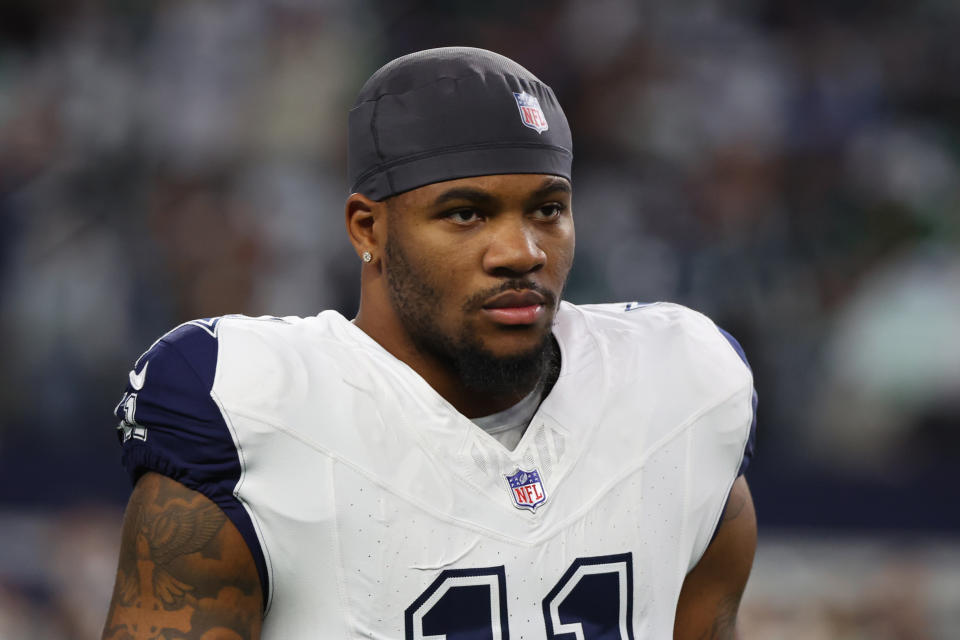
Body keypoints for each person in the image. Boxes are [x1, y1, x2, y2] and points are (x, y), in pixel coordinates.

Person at [102, 47, 757, 640]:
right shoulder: (253, 411)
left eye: (547, 210)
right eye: (466, 214)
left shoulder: (679, 386)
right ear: (367, 229)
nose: (521, 252)